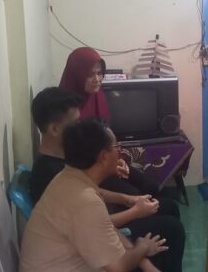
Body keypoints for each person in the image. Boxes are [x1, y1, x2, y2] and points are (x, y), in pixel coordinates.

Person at [29, 87, 186, 272]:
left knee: (154, 266)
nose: (120, 150)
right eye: (116, 146)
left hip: (78, 270)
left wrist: (144, 261)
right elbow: (118, 267)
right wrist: (142, 247)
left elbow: (107, 230)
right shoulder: (81, 197)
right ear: (103, 157)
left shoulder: (70, 177)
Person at [59, 47, 165, 198]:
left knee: (152, 186)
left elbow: (106, 137)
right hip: (87, 173)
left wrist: (117, 161)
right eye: (89, 74)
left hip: (106, 162)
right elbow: (73, 159)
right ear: (76, 74)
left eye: (99, 73)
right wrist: (109, 167)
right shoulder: (66, 109)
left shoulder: (98, 97)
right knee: (135, 193)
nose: (97, 79)